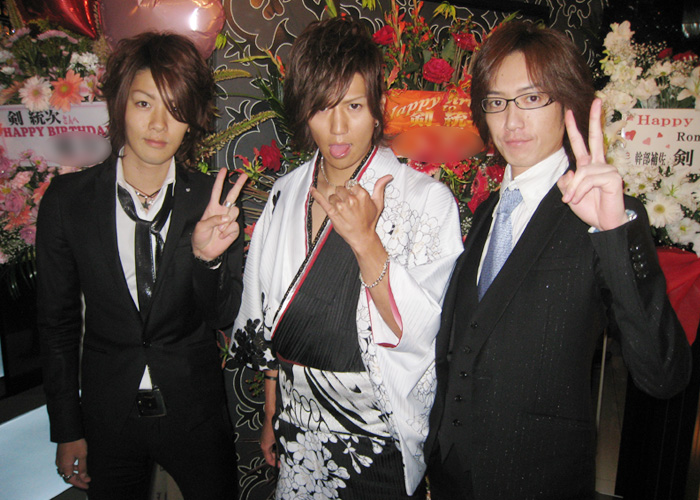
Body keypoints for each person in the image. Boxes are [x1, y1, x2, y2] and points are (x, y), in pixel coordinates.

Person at [426, 21, 692, 500]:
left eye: (532, 98)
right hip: (452, 475)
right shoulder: (488, 211)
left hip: (539, 481)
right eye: (496, 102)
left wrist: (614, 232)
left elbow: (663, 374)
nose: (512, 121)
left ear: (568, 102)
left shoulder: (601, 215)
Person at [230, 17, 463, 499]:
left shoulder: (426, 201)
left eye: (354, 106)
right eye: (322, 107)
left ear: (378, 109)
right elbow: (268, 316)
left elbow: (423, 333)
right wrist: (272, 411)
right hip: (297, 424)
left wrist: (366, 243)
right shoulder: (285, 193)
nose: (337, 128)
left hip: (377, 433)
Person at [36, 32, 246, 500]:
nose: (158, 124)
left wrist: (207, 259)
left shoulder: (213, 201)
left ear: (191, 119)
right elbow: (57, 323)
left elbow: (223, 315)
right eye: (144, 103)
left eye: (175, 108)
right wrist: (66, 428)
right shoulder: (68, 202)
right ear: (120, 106)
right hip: (108, 414)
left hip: (195, 411)